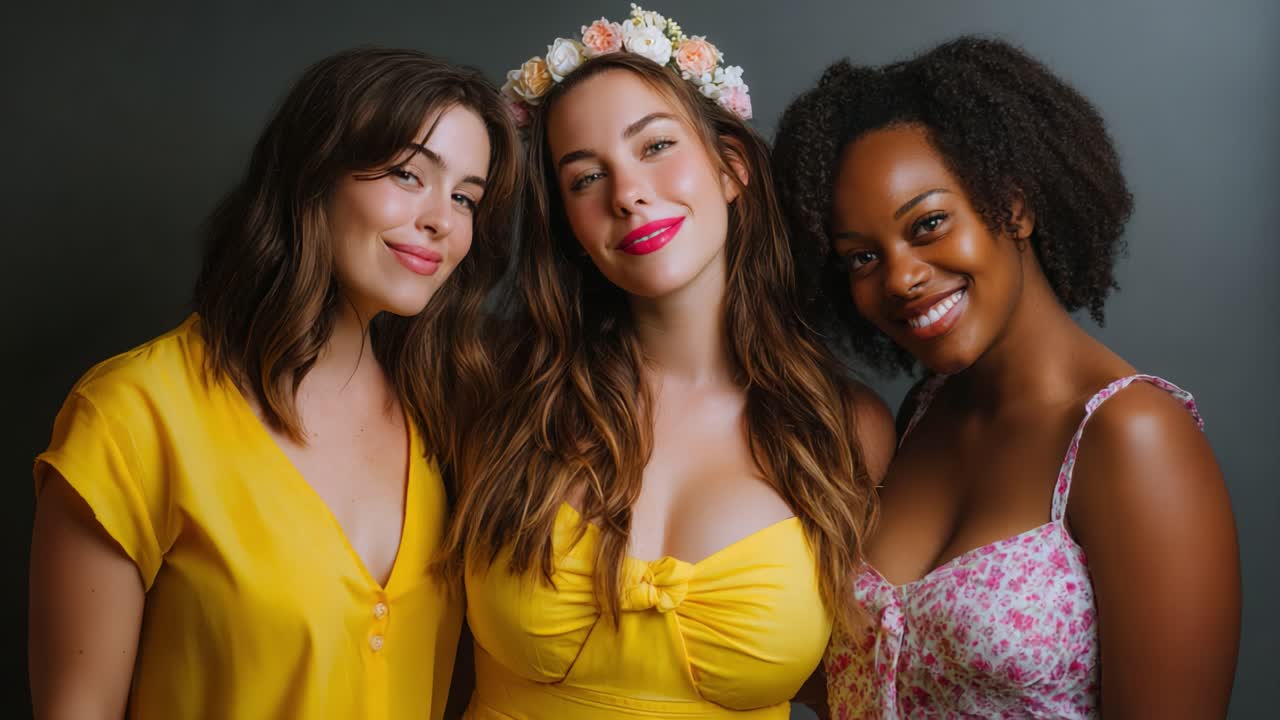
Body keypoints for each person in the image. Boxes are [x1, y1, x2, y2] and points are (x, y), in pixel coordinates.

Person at [28, 47, 520, 719]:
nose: (443, 219)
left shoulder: (445, 413)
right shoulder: (133, 415)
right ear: (314, 173)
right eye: (409, 174)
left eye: (465, 197)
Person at [438, 6, 893, 718]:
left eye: (655, 146)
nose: (627, 194)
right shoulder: (498, 388)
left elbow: (867, 686)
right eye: (585, 178)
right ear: (568, 224)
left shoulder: (846, 428)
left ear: (731, 167)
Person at [773, 36, 1241, 718]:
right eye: (862, 258)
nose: (900, 278)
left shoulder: (1132, 436)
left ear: (1013, 206)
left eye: (929, 224)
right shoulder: (925, 414)